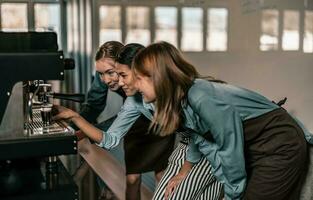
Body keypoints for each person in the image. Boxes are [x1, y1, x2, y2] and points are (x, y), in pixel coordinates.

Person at [132, 41, 312, 200]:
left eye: (139, 78)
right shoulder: (184, 100)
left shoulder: (201, 97)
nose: (135, 85)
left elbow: (230, 151)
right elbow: (199, 139)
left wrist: (232, 195)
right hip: (258, 149)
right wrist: (184, 173)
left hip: (279, 146)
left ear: (158, 78)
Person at [54, 43, 223, 200]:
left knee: (166, 179)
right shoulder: (133, 102)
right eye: (101, 74)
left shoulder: (184, 95)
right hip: (181, 141)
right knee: (143, 183)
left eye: (118, 74)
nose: (109, 80)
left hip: (202, 143)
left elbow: (201, 132)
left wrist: (185, 171)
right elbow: (106, 128)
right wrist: (73, 119)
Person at [69, 42, 175, 200]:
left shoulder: (153, 88)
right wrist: (72, 127)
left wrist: (82, 129)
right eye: (100, 74)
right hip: (137, 113)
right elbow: (94, 106)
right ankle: (108, 192)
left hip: (154, 119)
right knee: (132, 177)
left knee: (161, 173)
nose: (105, 80)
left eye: (112, 73)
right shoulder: (122, 92)